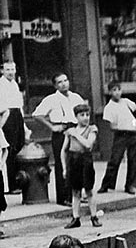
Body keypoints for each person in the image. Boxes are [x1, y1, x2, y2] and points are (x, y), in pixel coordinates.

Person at [33, 72, 84, 206]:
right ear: (55, 85)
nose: (64, 84)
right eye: (60, 82)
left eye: (65, 80)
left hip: (76, 130)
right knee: (63, 163)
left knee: (78, 162)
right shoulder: (51, 99)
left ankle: (77, 194)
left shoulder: (76, 97)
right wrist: (52, 127)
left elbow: (83, 112)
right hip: (61, 131)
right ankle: (64, 197)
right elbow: (37, 114)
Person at [98, 81, 136, 195]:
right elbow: (112, 126)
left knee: (133, 159)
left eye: (119, 90)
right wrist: (124, 127)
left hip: (133, 134)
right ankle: (106, 184)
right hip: (121, 135)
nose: (117, 93)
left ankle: (130, 185)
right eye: (114, 90)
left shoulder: (126, 102)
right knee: (115, 160)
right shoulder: (109, 107)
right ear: (110, 92)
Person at [61, 104, 101, 228]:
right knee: (75, 191)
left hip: (86, 161)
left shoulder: (92, 129)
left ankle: (94, 216)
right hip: (73, 161)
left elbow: (88, 144)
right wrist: (64, 167)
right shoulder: (70, 131)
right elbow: (63, 150)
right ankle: (76, 217)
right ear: (76, 117)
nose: (85, 118)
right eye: (82, 115)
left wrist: (76, 135)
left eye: (87, 115)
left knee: (88, 190)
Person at [0, 60, 30, 192]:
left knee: (19, 146)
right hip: (7, 116)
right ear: (2, 71)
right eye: (8, 70)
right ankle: (11, 185)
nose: (11, 72)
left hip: (17, 116)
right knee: (10, 149)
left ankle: (19, 181)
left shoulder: (15, 85)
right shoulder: (1, 85)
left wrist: (24, 125)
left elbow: (19, 106)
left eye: (12, 69)